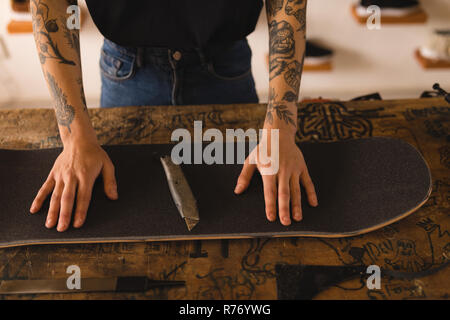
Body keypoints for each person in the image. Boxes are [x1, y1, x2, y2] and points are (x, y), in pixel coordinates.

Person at [29, 0, 318, 232]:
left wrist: (281, 127)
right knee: (122, 212)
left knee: (248, 211)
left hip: (224, 67)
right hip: (127, 69)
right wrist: (75, 137)